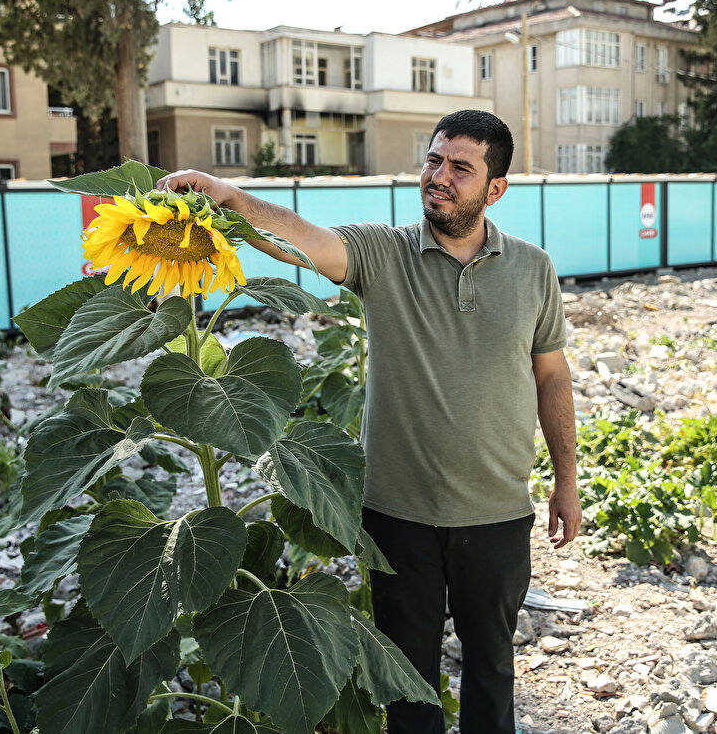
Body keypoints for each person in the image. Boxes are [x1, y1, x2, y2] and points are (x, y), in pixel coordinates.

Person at [158, 109, 580, 734]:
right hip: (397, 516)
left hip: (496, 513)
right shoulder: (384, 253)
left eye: (460, 168)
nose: (439, 176)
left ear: (496, 189)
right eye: (434, 160)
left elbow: (551, 377)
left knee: (492, 671)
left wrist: (566, 480)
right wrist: (233, 200)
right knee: (406, 686)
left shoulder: (532, 268)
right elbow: (306, 243)